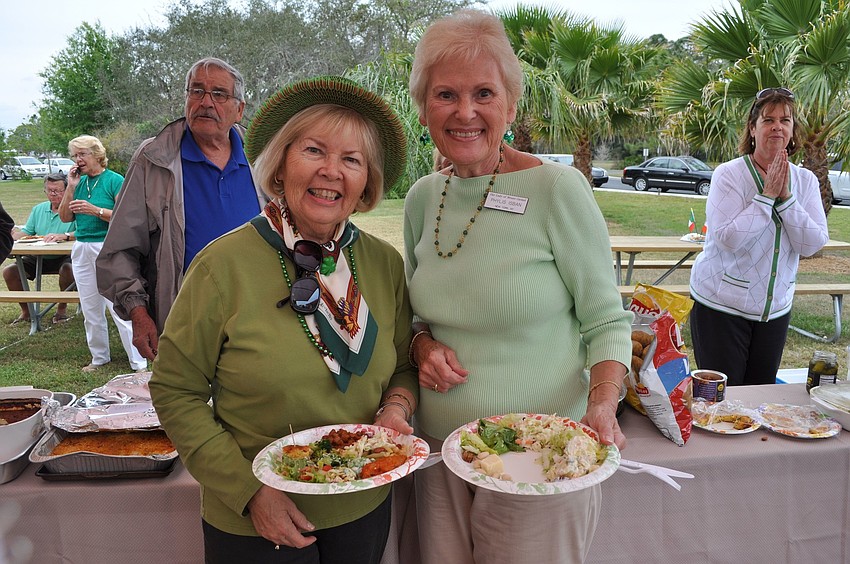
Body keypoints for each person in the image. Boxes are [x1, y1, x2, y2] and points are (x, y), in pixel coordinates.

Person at [149, 76, 417, 563]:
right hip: (256, 515)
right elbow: (175, 390)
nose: (331, 171)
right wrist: (249, 492)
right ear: (281, 164)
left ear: (366, 184)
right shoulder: (221, 265)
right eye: (314, 150)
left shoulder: (383, 263)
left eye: (352, 160)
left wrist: (395, 409)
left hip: (364, 501)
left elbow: (401, 365)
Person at [404, 10, 633, 564]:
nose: (465, 112)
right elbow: (416, 316)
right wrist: (421, 347)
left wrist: (603, 403)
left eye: (484, 93)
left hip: (542, 458)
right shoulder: (421, 199)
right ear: (423, 106)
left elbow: (607, 318)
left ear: (510, 104)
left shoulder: (558, 188)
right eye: (445, 95)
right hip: (440, 455)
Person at [97, 57, 265, 361]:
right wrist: (138, 312)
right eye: (197, 91)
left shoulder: (262, 158)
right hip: (184, 324)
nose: (205, 102)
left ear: (239, 109)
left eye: (219, 94)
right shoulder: (154, 160)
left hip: (260, 322)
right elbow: (120, 249)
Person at [688, 87, 829, 386]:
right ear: (752, 129)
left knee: (761, 395)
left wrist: (787, 198)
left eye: (785, 120)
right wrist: (766, 198)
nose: (777, 126)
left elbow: (812, 243)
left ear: (793, 131)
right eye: (768, 120)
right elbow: (728, 238)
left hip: (775, 311)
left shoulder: (805, 181)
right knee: (723, 400)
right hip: (721, 307)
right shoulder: (728, 174)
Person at [58, 136, 147, 373]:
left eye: (83, 154)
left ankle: (139, 362)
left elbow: (125, 216)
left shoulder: (114, 180)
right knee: (90, 307)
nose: (78, 159)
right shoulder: (79, 182)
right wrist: (71, 186)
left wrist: (95, 210)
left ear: (97, 155)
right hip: (82, 248)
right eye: (75, 155)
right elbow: (65, 218)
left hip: (107, 247)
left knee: (118, 305)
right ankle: (99, 357)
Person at [3, 172, 76, 325]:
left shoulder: (74, 208)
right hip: (39, 255)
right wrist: (11, 236)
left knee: (68, 269)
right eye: (49, 190)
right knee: (10, 272)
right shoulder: (38, 209)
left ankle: (61, 309)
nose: (53, 194)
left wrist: (64, 235)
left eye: (57, 191)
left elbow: (83, 231)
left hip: (65, 256)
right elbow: (26, 233)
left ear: (67, 190)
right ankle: (27, 311)